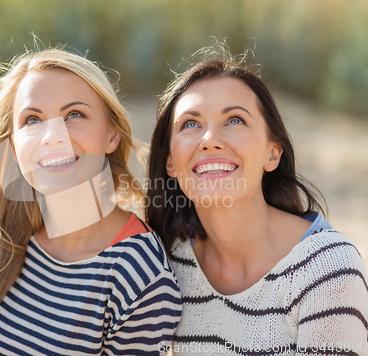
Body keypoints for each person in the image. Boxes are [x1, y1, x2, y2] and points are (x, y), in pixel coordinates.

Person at [0, 48, 182, 356]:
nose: (52, 136)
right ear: (14, 147)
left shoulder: (139, 272)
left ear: (111, 135)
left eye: (74, 115)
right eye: (33, 119)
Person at [146, 50, 368, 355]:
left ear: (272, 154)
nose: (209, 139)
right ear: (171, 164)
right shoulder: (168, 263)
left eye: (234, 120)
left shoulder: (326, 269)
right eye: (190, 124)